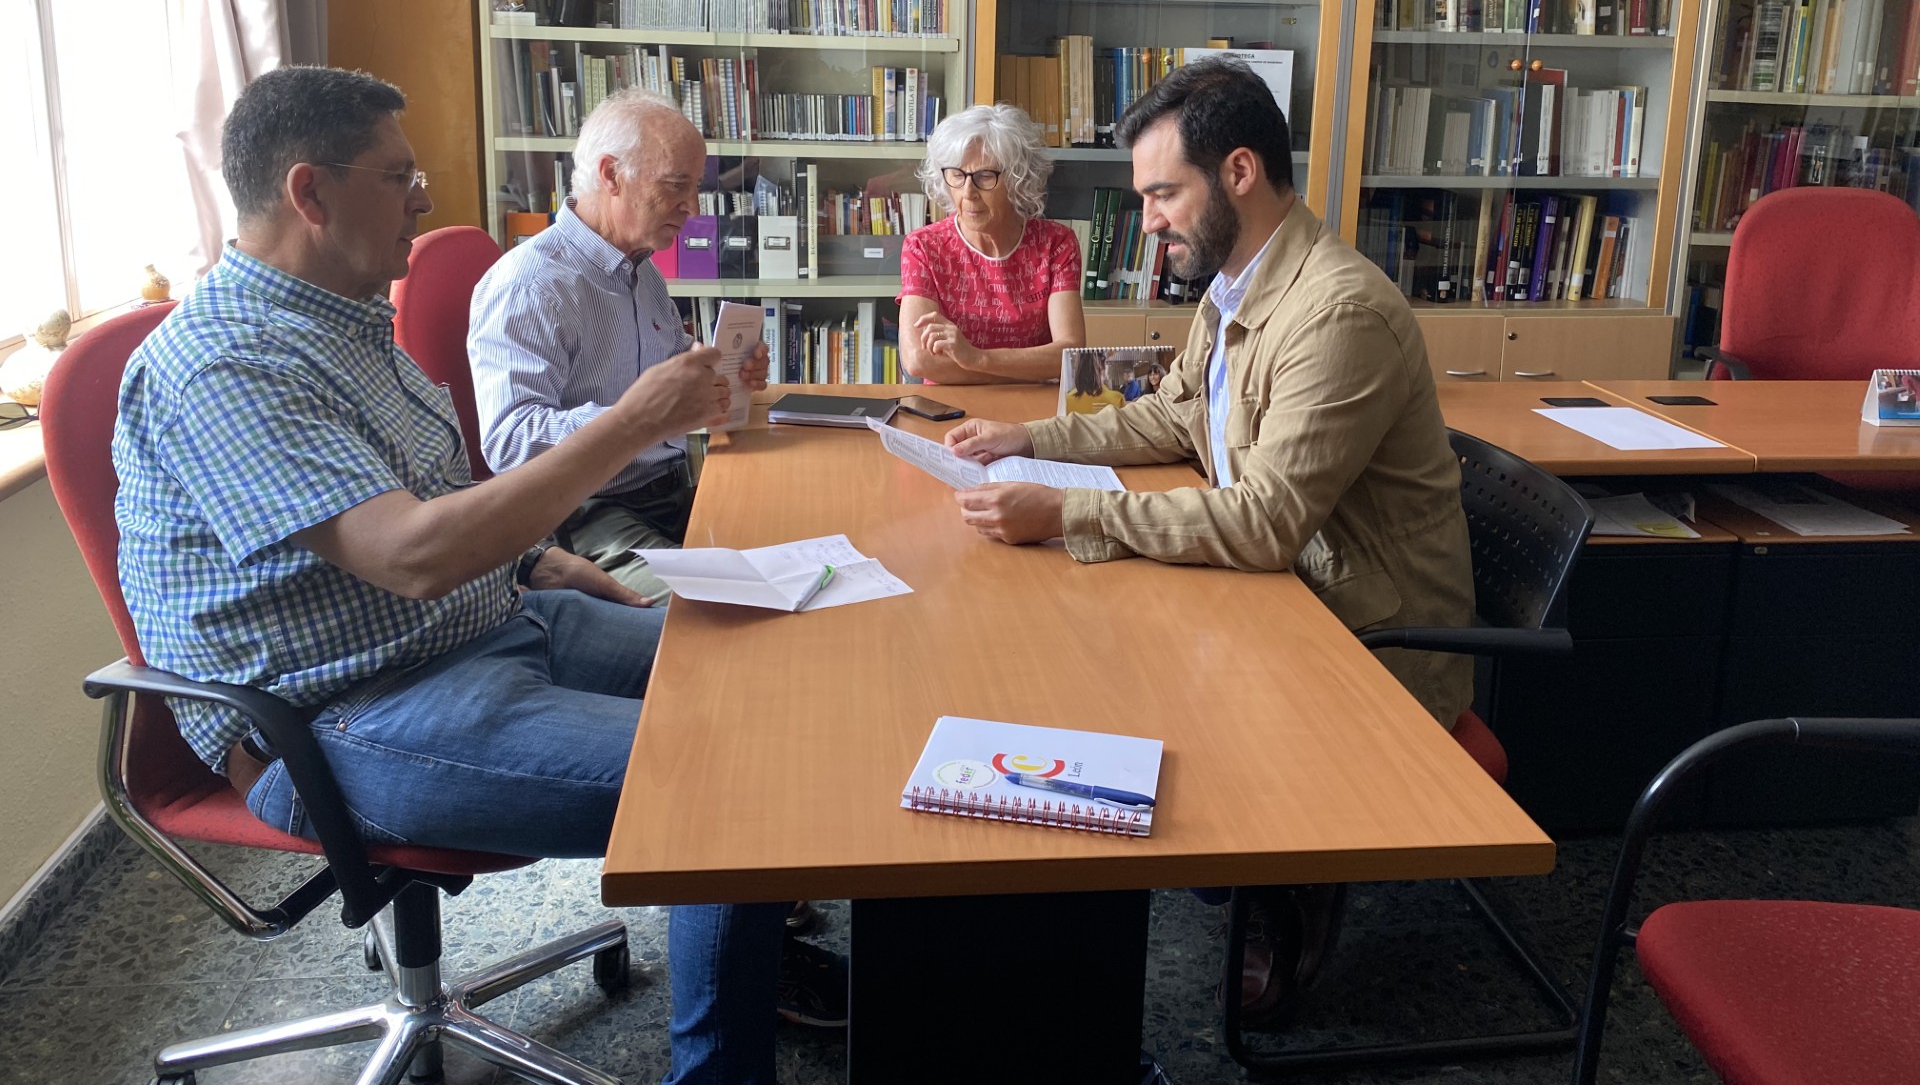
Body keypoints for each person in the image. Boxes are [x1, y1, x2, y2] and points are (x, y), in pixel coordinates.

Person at [112, 66, 839, 1083]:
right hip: (338, 715)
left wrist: (545, 560)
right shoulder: (227, 362)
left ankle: (763, 951)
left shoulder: (351, 324)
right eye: (400, 175)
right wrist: (637, 418)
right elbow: (409, 555)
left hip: (492, 622)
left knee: (778, 670)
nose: (424, 198)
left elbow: (426, 501)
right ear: (310, 194)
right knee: (729, 774)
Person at [939, 57, 1477, 1021]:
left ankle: (1293, 888)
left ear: (1237, 173)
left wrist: (1068, 510)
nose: (1146, 218)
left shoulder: (1336, 311)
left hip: (1367, 639)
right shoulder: (1234, 283)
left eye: (1160, 194)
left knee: (1102, 668)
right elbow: (1169, 419)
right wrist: (1031, 439)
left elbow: (1267, 520)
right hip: (1285, 595)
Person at [469, 90, 767, 606]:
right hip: (585, 513)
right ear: (610, 175)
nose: (693, 208)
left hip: (672, 487)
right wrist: (641, 417)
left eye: (696, 187)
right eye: (677, 185)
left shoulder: (641, 269)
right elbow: (508, 444)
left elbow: (668, 364)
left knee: (808, 550)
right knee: (722, 618)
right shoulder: (531, 284)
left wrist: (720, 369)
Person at [898, 103, 1085, 383]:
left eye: (985, 176)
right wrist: (1029, 371)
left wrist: (976, 358)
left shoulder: (1056, 244)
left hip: (1030, 411)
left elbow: (1070, 354)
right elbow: (918, 360)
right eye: (957, 175)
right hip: (951, 408)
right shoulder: (924, 247)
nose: (968, 193)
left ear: (1018, 179)